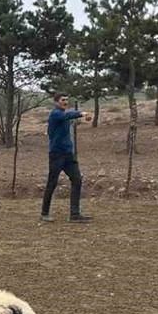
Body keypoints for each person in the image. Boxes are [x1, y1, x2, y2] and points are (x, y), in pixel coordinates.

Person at [41, 94, 93, 223]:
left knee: (77, 179)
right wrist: (81, 113)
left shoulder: (64, 115)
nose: (65, 102)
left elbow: (70, 118)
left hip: (68, 155)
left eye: (66, 100)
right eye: (62, 100)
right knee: (52, 183)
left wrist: (84, 117)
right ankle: (44, 213)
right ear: (56, 102)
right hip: (56, 154)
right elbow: (67, 116)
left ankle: (74, 214)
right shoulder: (56, 114)